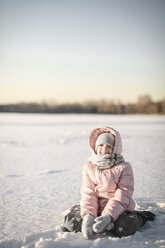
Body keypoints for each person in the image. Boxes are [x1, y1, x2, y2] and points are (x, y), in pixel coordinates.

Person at [62, 127, 155, 239]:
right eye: (100, 145)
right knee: (72, 225)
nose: (104, 149)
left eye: (108, 146)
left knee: (122, 228)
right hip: (95, 208)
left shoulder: (124, 167)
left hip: (119, 208)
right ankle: (81, 210)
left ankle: (140, 217)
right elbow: (88, 193)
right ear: (95, 147)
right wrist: (88, 216)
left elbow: (123, 195)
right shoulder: (89, 166)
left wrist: (108, 216)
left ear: (115, 148)